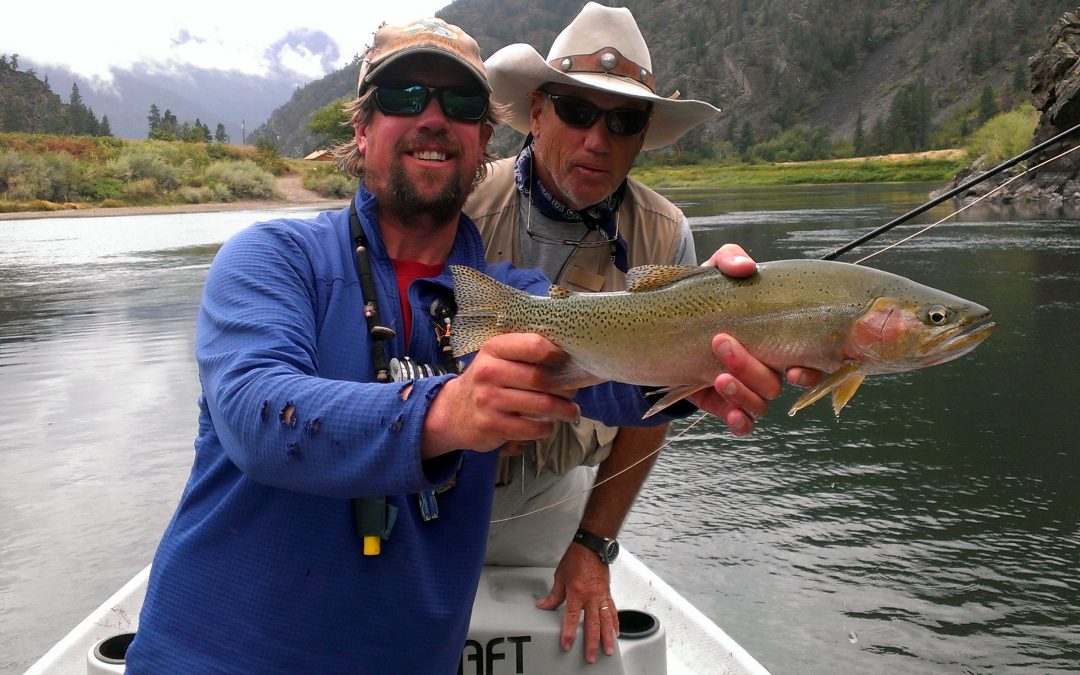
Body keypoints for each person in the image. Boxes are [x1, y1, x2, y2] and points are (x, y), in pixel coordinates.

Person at [123, 16, 786, 674]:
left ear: (484, 140)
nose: (434, 116)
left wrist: (711, 343)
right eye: (404, 95)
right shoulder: (270, 259)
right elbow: (255, 414)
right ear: (361, 128)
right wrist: (448, 411)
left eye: (462, 102)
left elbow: (608, 369)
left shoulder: (507, 296)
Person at [466, 3, 817, 664]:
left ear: (643, 134)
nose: (598, 138)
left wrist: (595, 543)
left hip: (554, 505)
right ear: (536, 111)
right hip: (435, 490)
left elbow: (653, 408)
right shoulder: (462, 202)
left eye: (623, 120)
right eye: (576, 111)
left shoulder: (665, 232)